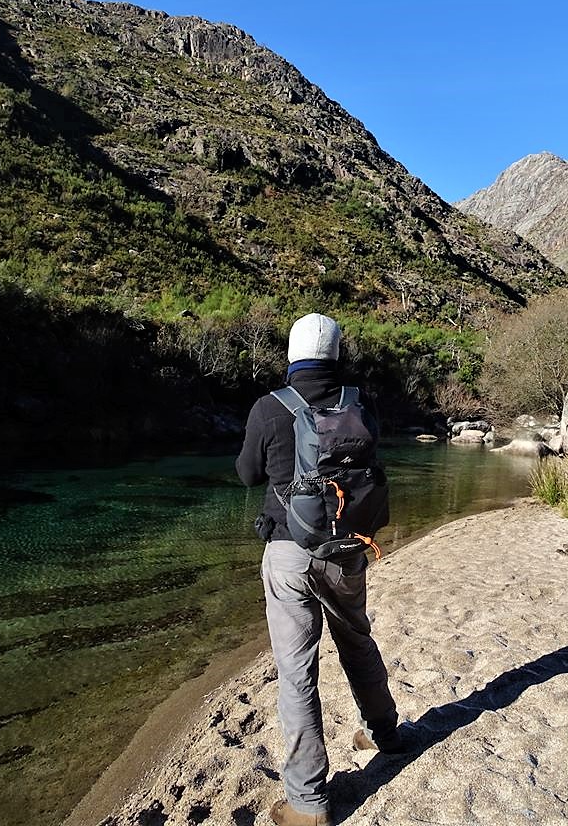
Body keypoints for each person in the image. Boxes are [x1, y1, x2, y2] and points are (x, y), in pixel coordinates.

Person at [236, 312, 401, 826]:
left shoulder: (269, 407)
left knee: (296, 672)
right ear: (335, 354)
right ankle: (384, 733)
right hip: (349, 546)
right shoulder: (360, 402)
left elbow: (247, 475)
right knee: (357, 640)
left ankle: (308, 803)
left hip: (289, 551)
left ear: (291, 354)